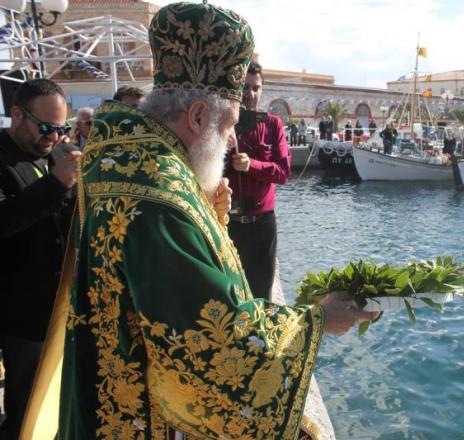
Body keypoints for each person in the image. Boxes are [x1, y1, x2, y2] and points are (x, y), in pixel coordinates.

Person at [28, 4, 377, 439]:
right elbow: (216, 347)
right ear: (196, 117)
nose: (232, 136)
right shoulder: (161, 198)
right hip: (145, 414)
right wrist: (318, 320)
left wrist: (207, 209)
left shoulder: (118, 156)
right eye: (229, 122)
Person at [0, 79, 80, 439]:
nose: (54, 137)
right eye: (46, 127)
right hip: (18, 314)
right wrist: (57, 185)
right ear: (16, 114)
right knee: (25, 412)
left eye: (62, 129)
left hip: (56, 308)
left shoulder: (51, 159)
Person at [225, 61, 290, 301]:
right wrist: (222, 142)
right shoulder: (223, 125)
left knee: (262, 293)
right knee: (230, 293)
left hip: (262, 223)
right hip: (228, 221)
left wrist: (252, 165)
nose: (250, 93)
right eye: (245, 87)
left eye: (256, 88)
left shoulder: (272, 125)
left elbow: (283, 172)